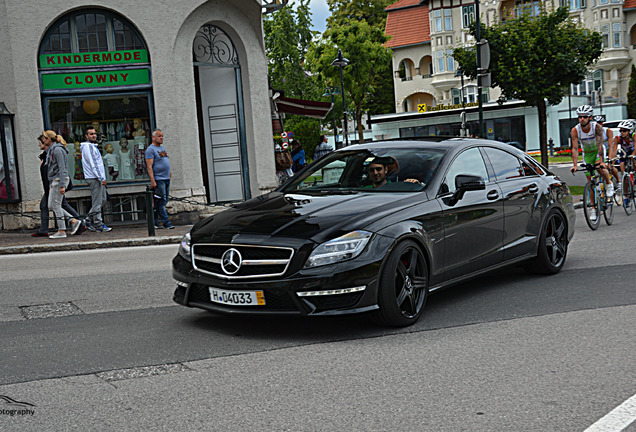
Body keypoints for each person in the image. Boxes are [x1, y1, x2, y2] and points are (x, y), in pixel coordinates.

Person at [32, 135, 84, 237]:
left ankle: (62, 230)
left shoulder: (57, 150)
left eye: (43, 140)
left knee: (56, 205)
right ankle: (75, 221)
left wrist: (62, 185)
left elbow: (62, 168)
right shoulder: (50, 152)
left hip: (57, 181)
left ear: (48, 140)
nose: (40, 143)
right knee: (52, 205)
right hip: (53, 183)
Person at [570, 105, 614, 222]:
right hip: (587, 154)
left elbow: (600, 145)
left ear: (590, 117)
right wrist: (574, 164)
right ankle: (593, 210)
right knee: (590, 182)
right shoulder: (575, 130)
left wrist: (602, 161)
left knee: (599, 167)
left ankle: (609, 184)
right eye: (580, 117)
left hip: (597, 151)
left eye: (585, 117)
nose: (582, 119)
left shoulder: (597, 127)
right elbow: (575, 148)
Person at [81, 126, 112, 232]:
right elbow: (93, 163)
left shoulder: (92, 146)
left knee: (103, 200)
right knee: (98, 202)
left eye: (94, 133)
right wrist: (101, 177)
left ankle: (88, 220)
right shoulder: (88, 147)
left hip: (97, 177)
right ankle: (98, 224)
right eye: (91, 134)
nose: (94, 135)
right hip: (94, 178)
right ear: (86, 136)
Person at [145, 128, 174, 229]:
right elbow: (149, 166)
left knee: (162, 202)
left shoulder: (162, 149)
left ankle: (155, 222)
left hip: (166, 178)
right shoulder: (150, 150)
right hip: (159, 179)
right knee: (162, 201)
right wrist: (153, 180)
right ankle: (167, 223)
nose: (161, 138)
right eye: (159, 136)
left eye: (162, 136)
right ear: (153, 137)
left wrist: (169, 173)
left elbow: (165, 161)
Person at [613, 120, 636, 207]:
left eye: (624, 130)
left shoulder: (634, 136)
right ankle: (626, 196)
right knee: (624, 175)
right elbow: (614, 150)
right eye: (621, 130)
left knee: (634, 161)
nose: (622, 132)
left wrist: (633, 155)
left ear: (629, 131)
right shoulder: (618, 138)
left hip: (633, 152)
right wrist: (612, 161)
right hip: (624, 153)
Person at [594, 115, 620, 186]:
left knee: (610, 166)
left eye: (600, 123)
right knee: (598, 166)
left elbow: (611, 146)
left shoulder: (608, 131)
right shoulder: (593, 132)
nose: (598, 125)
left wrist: (610, 158)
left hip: (608, 149)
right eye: (596, 123)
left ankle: (618, 181)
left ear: (602, 124)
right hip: (599, 150)